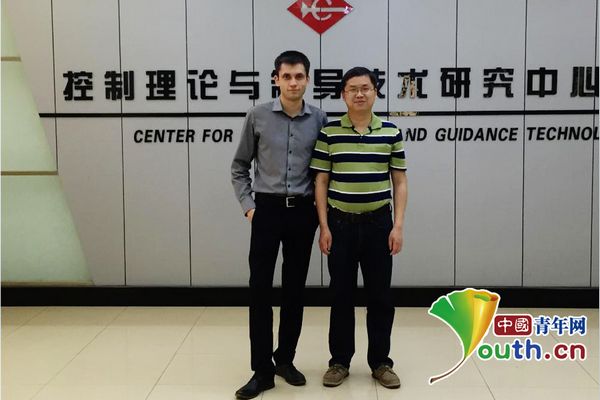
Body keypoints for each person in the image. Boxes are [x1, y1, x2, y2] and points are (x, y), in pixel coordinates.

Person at [231, 50, 328, 399]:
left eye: (299, 76)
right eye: (286, 76)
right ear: (276, 79)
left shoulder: (319, 119)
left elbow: (324, 172)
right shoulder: (257, 116)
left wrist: (320, 218)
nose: (293, 82)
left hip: (302, 213)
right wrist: (250, 209)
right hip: (267, 211)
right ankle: (262, 371)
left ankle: (285, 359)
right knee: (259, 290)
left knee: (294, 290)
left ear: (307, 79)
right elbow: (239, 167)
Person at [310, 66, 408, 389]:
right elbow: (321, 181)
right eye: (352, 89)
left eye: (365, 88)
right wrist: (324, 226)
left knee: (380, 297)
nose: (359, 94)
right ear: (343, 95)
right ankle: (339, 361)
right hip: (340, 224)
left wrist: (398, 226)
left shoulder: (390, 132)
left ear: (375, 92)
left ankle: (381, 362)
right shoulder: (329, 133)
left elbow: (399, 181)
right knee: (341, 296)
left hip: (379, 225)